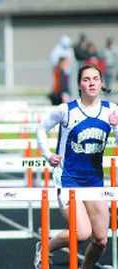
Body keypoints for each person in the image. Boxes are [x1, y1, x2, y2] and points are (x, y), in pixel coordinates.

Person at [34, 64, 118, 269]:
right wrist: (48, 155)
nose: (91, 83)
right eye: (86, 79)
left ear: (100, 83)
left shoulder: (111, 110)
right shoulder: (66, 110)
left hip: (94, 181)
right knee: (81, 233)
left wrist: (116, 126)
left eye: (95, 79)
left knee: (100, 240)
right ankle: (44, 246)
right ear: (79, 84)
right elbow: (41, 129)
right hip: (68, 179)